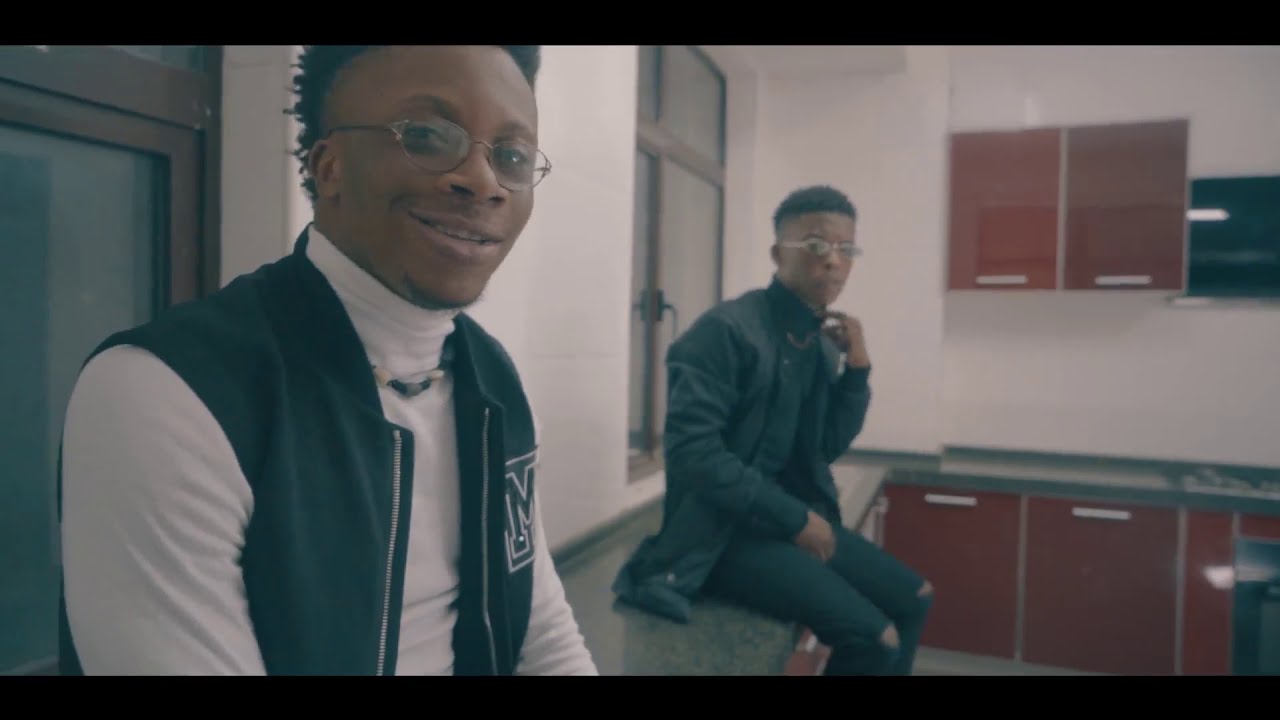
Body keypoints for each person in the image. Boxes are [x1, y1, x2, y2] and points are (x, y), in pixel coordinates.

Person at [57, 45, 598, 676]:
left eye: (512, 156)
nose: (482, 181)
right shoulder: (169, 393)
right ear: (330, 166)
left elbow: (542, 631)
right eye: (427, 136)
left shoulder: (492, 381)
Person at [613, 185, 933, 676]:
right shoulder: (724, 331)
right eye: (816, 245)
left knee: (916, 597)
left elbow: (823, 447)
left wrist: (857, 372)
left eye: (846, 249)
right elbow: (695, 454)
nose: (834, 261)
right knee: (874, 638)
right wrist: (795, 518)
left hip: (780, 523)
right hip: (720, 537)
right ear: (777, 254)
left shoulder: (816, 343)